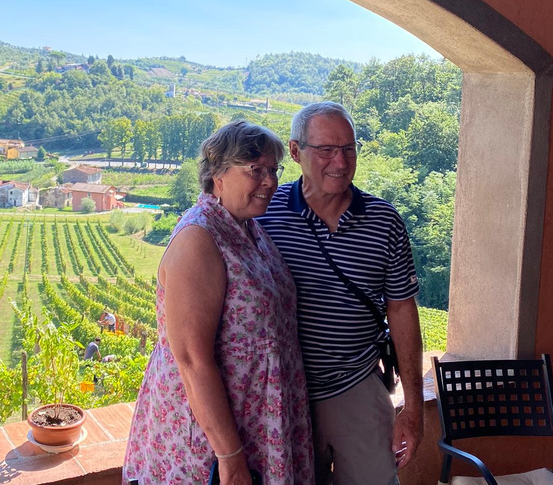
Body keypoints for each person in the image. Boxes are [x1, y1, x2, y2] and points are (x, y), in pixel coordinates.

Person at [123, 121, 313, 485]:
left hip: (255, 421)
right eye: (255, 170)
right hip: (213, 438)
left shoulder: (246, 227)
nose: (270, 181)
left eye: (273, 170)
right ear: (218, 175)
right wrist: (230, 456)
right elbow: (192, 360)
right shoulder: (200, 238)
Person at [258, 101, 423, 485]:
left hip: (358, 388)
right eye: (326, 149)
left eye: (349, 148)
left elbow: (402, 311)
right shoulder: (265, 214)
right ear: (296, 152)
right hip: (284, 395)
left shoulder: (384, 221)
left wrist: (413, 410)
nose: (341, 160)